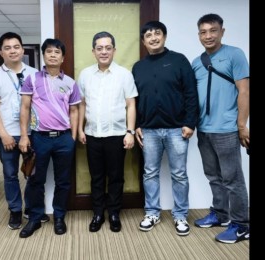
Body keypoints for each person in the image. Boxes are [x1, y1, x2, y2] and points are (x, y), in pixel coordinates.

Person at [131, 21, 199, 236]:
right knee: (150, 173)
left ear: (164, 36)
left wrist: (190, 123)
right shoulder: (138, 66)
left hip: (177, 130)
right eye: (148, 35)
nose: (153, 38)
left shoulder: (178, 60)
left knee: (179, 174)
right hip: (149, 130)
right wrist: (138, 125)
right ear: (143, 41)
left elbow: (191, 93)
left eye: (157, 34)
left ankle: (180, 216)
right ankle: (152, 213)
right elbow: (136, 100)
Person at [191, 13, 250, 244]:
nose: (208, 36)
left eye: (213, 30)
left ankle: (242, 225)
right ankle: (221, 215)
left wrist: (242, 125)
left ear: (222, 32)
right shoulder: (197, 62)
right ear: (199, 35)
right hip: (204, 128)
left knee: (232, 179)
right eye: (203, 32)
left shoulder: (235, 54)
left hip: (227, 128)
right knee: (213, 176)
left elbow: (244, 91)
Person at [18, 38, 81, 238]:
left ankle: (59, 216)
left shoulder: (71, 83)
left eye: (57, 52)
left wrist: (71, 137)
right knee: (36, 180)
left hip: (63, 139)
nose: (53, 55)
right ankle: (35, 218)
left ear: (63, 57)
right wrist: (24, 136)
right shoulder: (32, 79)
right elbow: (25, 108)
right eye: (49, 51)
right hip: (39, 138)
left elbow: (74, 111)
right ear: (44, 55)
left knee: (63, 181)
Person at [0, 32, 49, 231]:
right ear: (1, 52)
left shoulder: (35, 73)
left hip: (32, 132)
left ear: (22, 49)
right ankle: (14, 211)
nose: (13, 51)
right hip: (7, 133)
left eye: (16, 47)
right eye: (7, 48)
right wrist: (3, 134)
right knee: (10, 174)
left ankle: (32, 210)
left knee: (33, 173)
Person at [77, 31, 138, 233]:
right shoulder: (85, 74)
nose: (104, 51)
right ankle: (97, 213)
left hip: (117, 134)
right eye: (100, 48)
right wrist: (80, 129)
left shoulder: (124, 74)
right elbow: (82, 104)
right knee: (96, 176)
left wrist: (129, 131)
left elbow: (131, 104)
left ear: (114, 50)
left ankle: (113, 213)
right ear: (93, 51)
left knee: (116, 177)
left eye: (108, 47)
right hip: (93, 135)